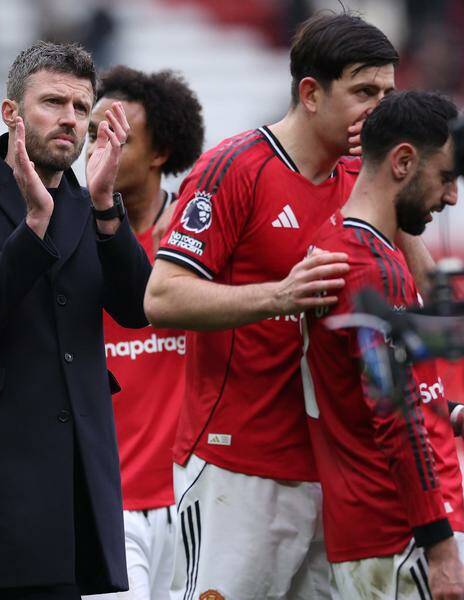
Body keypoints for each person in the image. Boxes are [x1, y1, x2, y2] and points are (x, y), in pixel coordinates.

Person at [145, 13, 405, 599]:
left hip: (338, 471)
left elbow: (414, 287)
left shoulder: (362, 179)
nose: (381, 108)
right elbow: (161, 296)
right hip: (240, 466)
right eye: (365, 92)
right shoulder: (235, 167)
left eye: (389, 94)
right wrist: (279, 296)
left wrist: (392, 183)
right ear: (311, 94)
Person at [0, 41, 151, 599]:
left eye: (80, 107)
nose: (69, 119)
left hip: (78, 476)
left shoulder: (92, 201)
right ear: (11, 113)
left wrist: (106, 206)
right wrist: (34, 227)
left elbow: (138, 309)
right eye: (53, 103)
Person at [301, 90, 464, 599]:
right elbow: (394, 417)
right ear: (403, 162)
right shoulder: (370, 268)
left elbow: (382, 387)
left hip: (384, 532)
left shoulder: (347, 245)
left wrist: (451, 410)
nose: (453, 197)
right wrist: (440, 549)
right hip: (402, 536)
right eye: (446, 178)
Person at [86, 65, 203, 599]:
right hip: (102, 504)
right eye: (92, 134)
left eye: (116, 137)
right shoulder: (61, 241)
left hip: (193, 500)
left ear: (159, 154)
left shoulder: (201, 242)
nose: (98, 148)